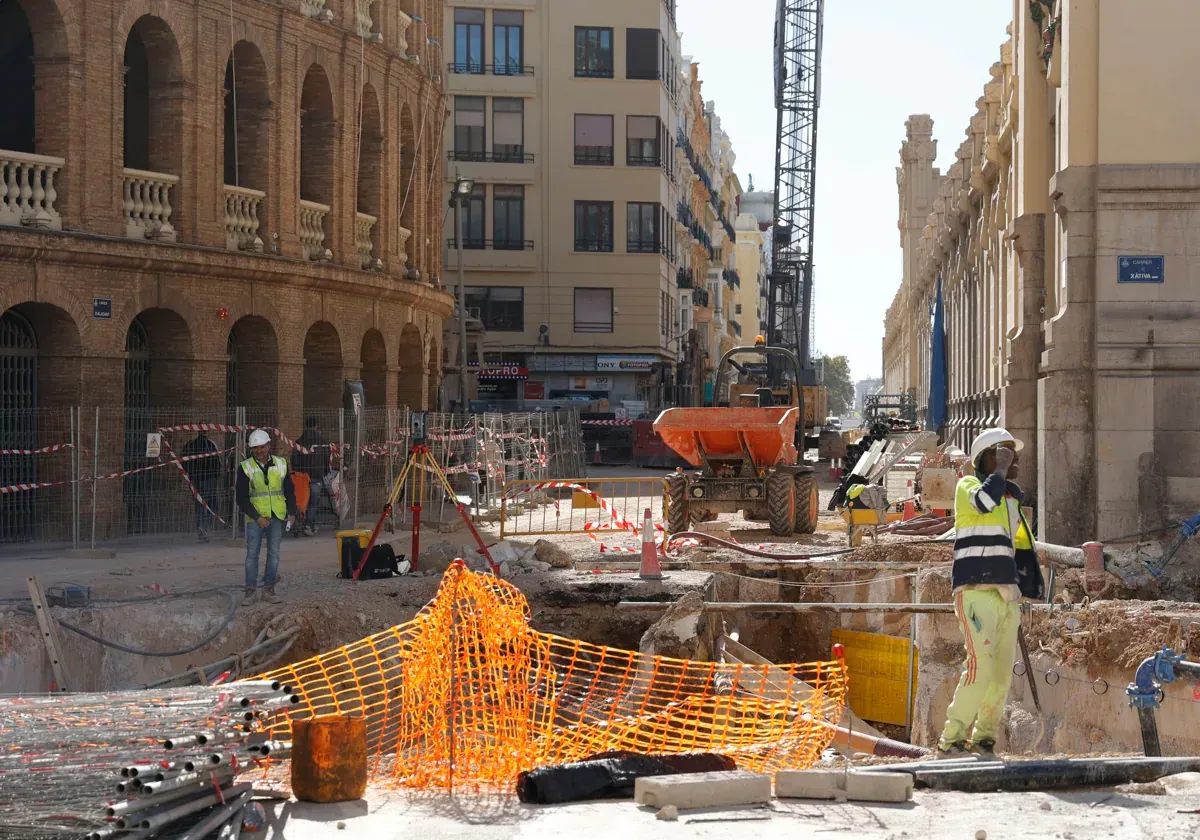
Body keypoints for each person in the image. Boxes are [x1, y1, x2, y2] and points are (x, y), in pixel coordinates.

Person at [938, 427, 1045, 758]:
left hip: (1006, 598)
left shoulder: (1010, 500)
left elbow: (1019, 547)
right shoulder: (967, 486)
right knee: (979, 667)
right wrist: (999, 472)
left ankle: (984, 738)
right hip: (974, 592)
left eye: (1013, 456)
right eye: (1005, 454)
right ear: (986, 458)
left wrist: (1027, 586)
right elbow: (984, 502)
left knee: (1000, 675)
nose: (1014, 461)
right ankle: (951, 739)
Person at [236, 429, 296, 604]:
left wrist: (291, 512)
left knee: (274, 554)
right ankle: (250, 591)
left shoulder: (281, 463)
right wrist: (257, 517)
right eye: (255, 448)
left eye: (262, 447)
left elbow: (289, 491)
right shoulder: (246, 467)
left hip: (277, 515)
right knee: (252, 554)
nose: (259, 451)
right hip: (256, 518)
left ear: (269, 446)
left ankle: (269, 589)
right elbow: (241, 498)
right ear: (251, 449)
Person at [292, 417, 329, 536]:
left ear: (305, 426)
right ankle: (309, 525)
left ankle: (299, 523)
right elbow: (326, 459)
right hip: (316, 477)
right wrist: (324, 472)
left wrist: (297, 471)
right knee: (313, 502)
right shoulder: (323, 442)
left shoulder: (299, 442)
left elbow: (294, 460)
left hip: (302, 477)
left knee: (301, 501)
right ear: (317, 426)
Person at [181, 431, 219, 542]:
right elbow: (217, 462)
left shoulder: (190, 444)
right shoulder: (211, 444)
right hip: (209, 479)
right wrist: (215, 475)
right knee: (210, 503)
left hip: (196, 479)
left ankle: (200, 528)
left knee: (199, 504)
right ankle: (206, 527)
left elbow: (184, 461)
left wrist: (190, 475)